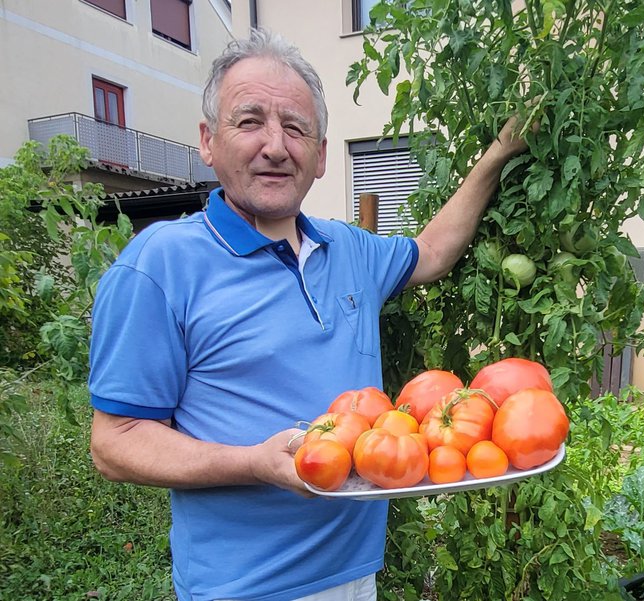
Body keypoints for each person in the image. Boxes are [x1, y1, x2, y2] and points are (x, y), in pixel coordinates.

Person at [87, 29, 528, 601]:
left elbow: (433, 251)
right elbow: (114, 441)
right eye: (250, 122)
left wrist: (499, 152)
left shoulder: (350, 249)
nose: (275, 145)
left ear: (321, 156)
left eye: (295, 128)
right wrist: (253, 463)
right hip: (245, 588)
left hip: (356, 573)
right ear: (208, 140)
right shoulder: (160, 264)